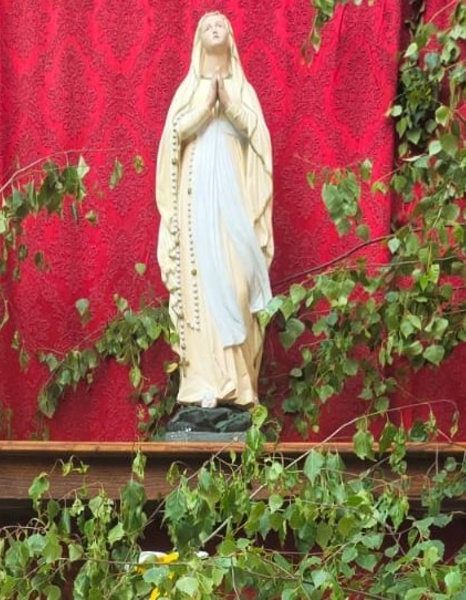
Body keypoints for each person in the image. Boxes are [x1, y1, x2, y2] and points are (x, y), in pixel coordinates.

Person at [156, 11, 273, 410]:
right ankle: (203, 383)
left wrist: (231, 106)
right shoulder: (188, 91)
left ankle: (239, 384)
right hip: (196, 200)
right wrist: (205, 108)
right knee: (201, 284)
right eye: (206, 25)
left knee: (237, 283)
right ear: (197, 41)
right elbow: (172, 140)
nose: (213, 27)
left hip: (233, 200)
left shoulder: (243, 90)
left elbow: (259, 143)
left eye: (220, 24)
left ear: (232, 38)